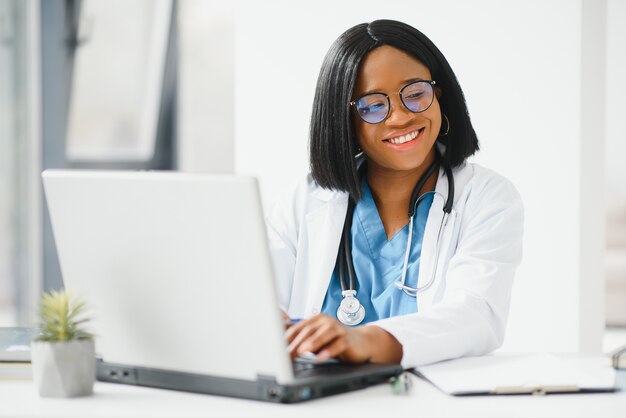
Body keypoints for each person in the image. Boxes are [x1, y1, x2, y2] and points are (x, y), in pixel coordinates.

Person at [266, 19, 524, 368]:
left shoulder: (487, 197)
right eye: (373, 105)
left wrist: (367, 339)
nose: (400, 117)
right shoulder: (306, 200)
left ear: (439, 95)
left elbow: (477, 316)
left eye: (416, 93)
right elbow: (259, 304)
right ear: (346, 120)